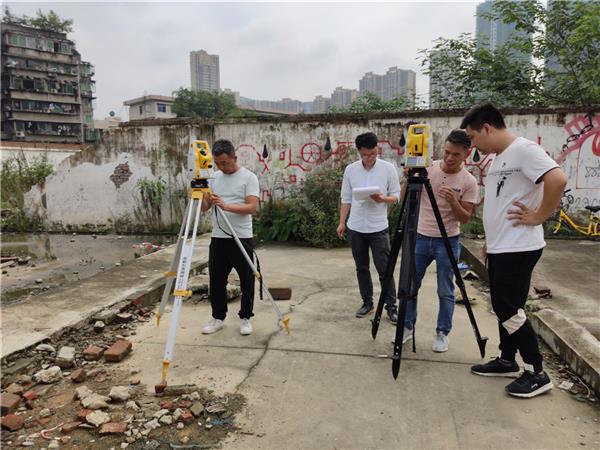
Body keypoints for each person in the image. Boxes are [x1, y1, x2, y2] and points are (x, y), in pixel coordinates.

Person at [461, 103, 567, 398]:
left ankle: (536, 372)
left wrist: (539, 215)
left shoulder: (524, 150)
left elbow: (557, 179)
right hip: (501, 246)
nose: (473, 144)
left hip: (519, 247)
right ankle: (508, 360)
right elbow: (502, 201)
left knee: (507, 307)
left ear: (487, 128)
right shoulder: (500, 158)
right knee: (506, 307)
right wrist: (490, 241)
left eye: (472, 136)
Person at [401, 130, 478, 353]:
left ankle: (442, 333)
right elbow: (403, 198)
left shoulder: (469, 181)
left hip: (448, 240)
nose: (449, 157)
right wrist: (408, 178)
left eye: (455, 154)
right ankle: (407, 327)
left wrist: (454, 201)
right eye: (446, 152)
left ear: (466, 153)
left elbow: (465, 217)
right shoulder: (427, 169)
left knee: (445, 290)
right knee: (410, 286)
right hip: (421, 237)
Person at [337, 132, 401, 322]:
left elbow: (396, 196)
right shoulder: (351, 170)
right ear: (359, 152)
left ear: (377, 149)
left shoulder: (388, 168)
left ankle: (391, 306)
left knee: (385, 269)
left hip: (378, 227)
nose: (369, 158)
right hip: (356, 226)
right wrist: (342, 222)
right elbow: (346, 198)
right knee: (361, 268)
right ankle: (367, 302)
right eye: (365, 155)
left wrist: (382, 199)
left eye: (373, 154)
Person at [201, 139, 260, 336]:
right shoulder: (213, 177)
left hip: (241, 236)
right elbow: (204, 208)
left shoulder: (249, 177)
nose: (221, 167)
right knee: (216, 280)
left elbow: (252, 207)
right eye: (218, 163)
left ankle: (245, 317)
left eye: (225, 162)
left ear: (234, 157)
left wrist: (226, 206)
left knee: (246, 280)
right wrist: (203, 196)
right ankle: (218, 317)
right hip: (218, 237)